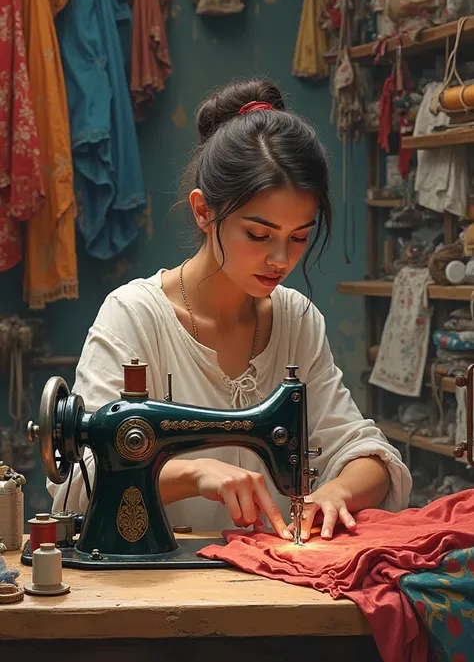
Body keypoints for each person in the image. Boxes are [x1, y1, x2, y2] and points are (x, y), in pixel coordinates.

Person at [48, 78, 412, 541]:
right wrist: (196, 474)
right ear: (203, 211)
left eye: (299, 237)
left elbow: (365, 450)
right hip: (158, 592)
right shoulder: (134, 318)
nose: (281, 259)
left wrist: (337, 490)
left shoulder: (295, 319)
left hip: (274, 586)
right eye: (259, 235)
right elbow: (79, 482)